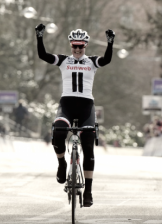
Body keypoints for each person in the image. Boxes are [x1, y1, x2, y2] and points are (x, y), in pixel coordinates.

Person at [35, 23, 115, 207]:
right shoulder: (63, 60)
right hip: (67, 105)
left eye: (81, 46)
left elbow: (107, 60)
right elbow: (43, 55)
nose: (78, 49)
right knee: (59, 132)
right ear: (71, 46)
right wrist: (39, 37)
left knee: (88, 146)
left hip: (86, 106)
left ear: (85, 46)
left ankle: (88, 191)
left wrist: (110, 43)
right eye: (74, 46)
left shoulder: (92, 61)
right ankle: (62, 163)